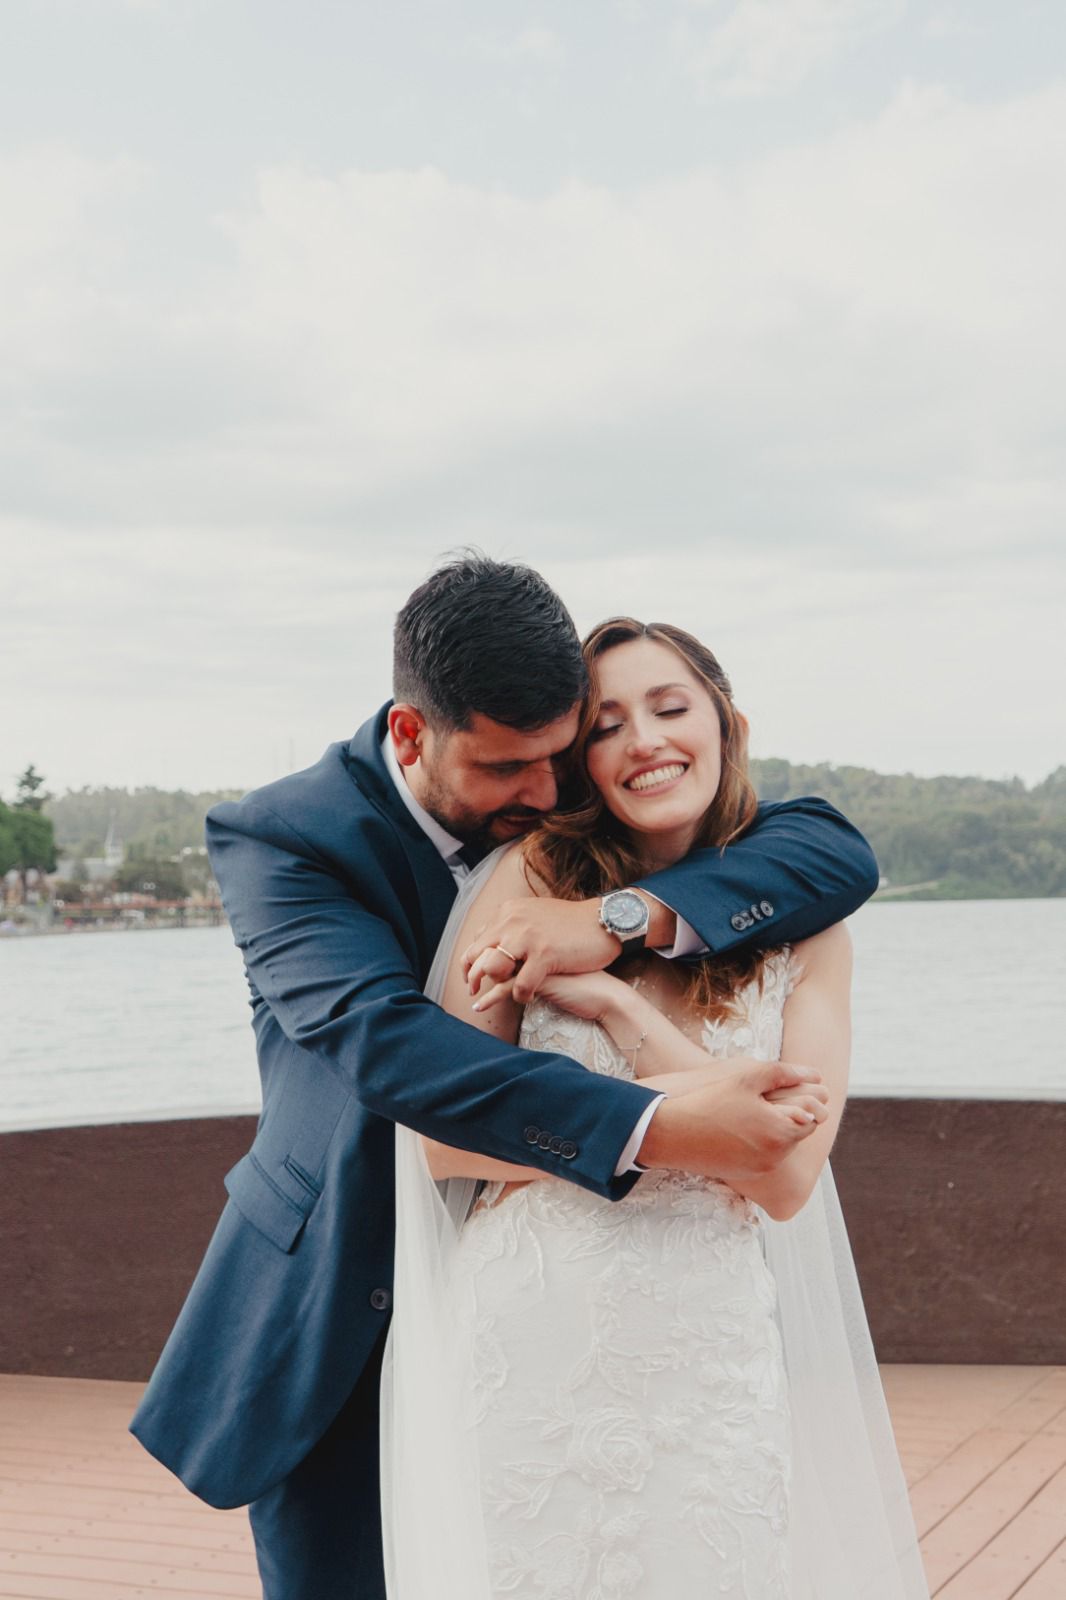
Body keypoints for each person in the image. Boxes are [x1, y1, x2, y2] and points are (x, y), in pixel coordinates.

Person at [131, 556, 879, 1600]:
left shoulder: (573, 792)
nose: (545, 791)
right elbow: (395, 1052)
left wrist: (616, 920)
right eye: (507, 769)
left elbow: (834, 853)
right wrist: (665, 1125)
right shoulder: (286, 840)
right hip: (345, 1296)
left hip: (616, 1329)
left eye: (561, 756)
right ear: (411, 735)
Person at [382, 618, 928, 1599]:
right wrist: (684, 1114)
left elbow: (786, 1179)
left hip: (704, 1355)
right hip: (529, 1339)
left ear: (727, 725)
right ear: (579, 761)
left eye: (671, 708)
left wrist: (619, 1007)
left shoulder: (809, 929)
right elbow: (440, 1140)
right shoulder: (529, 881)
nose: (644, 741)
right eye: (607, 725)